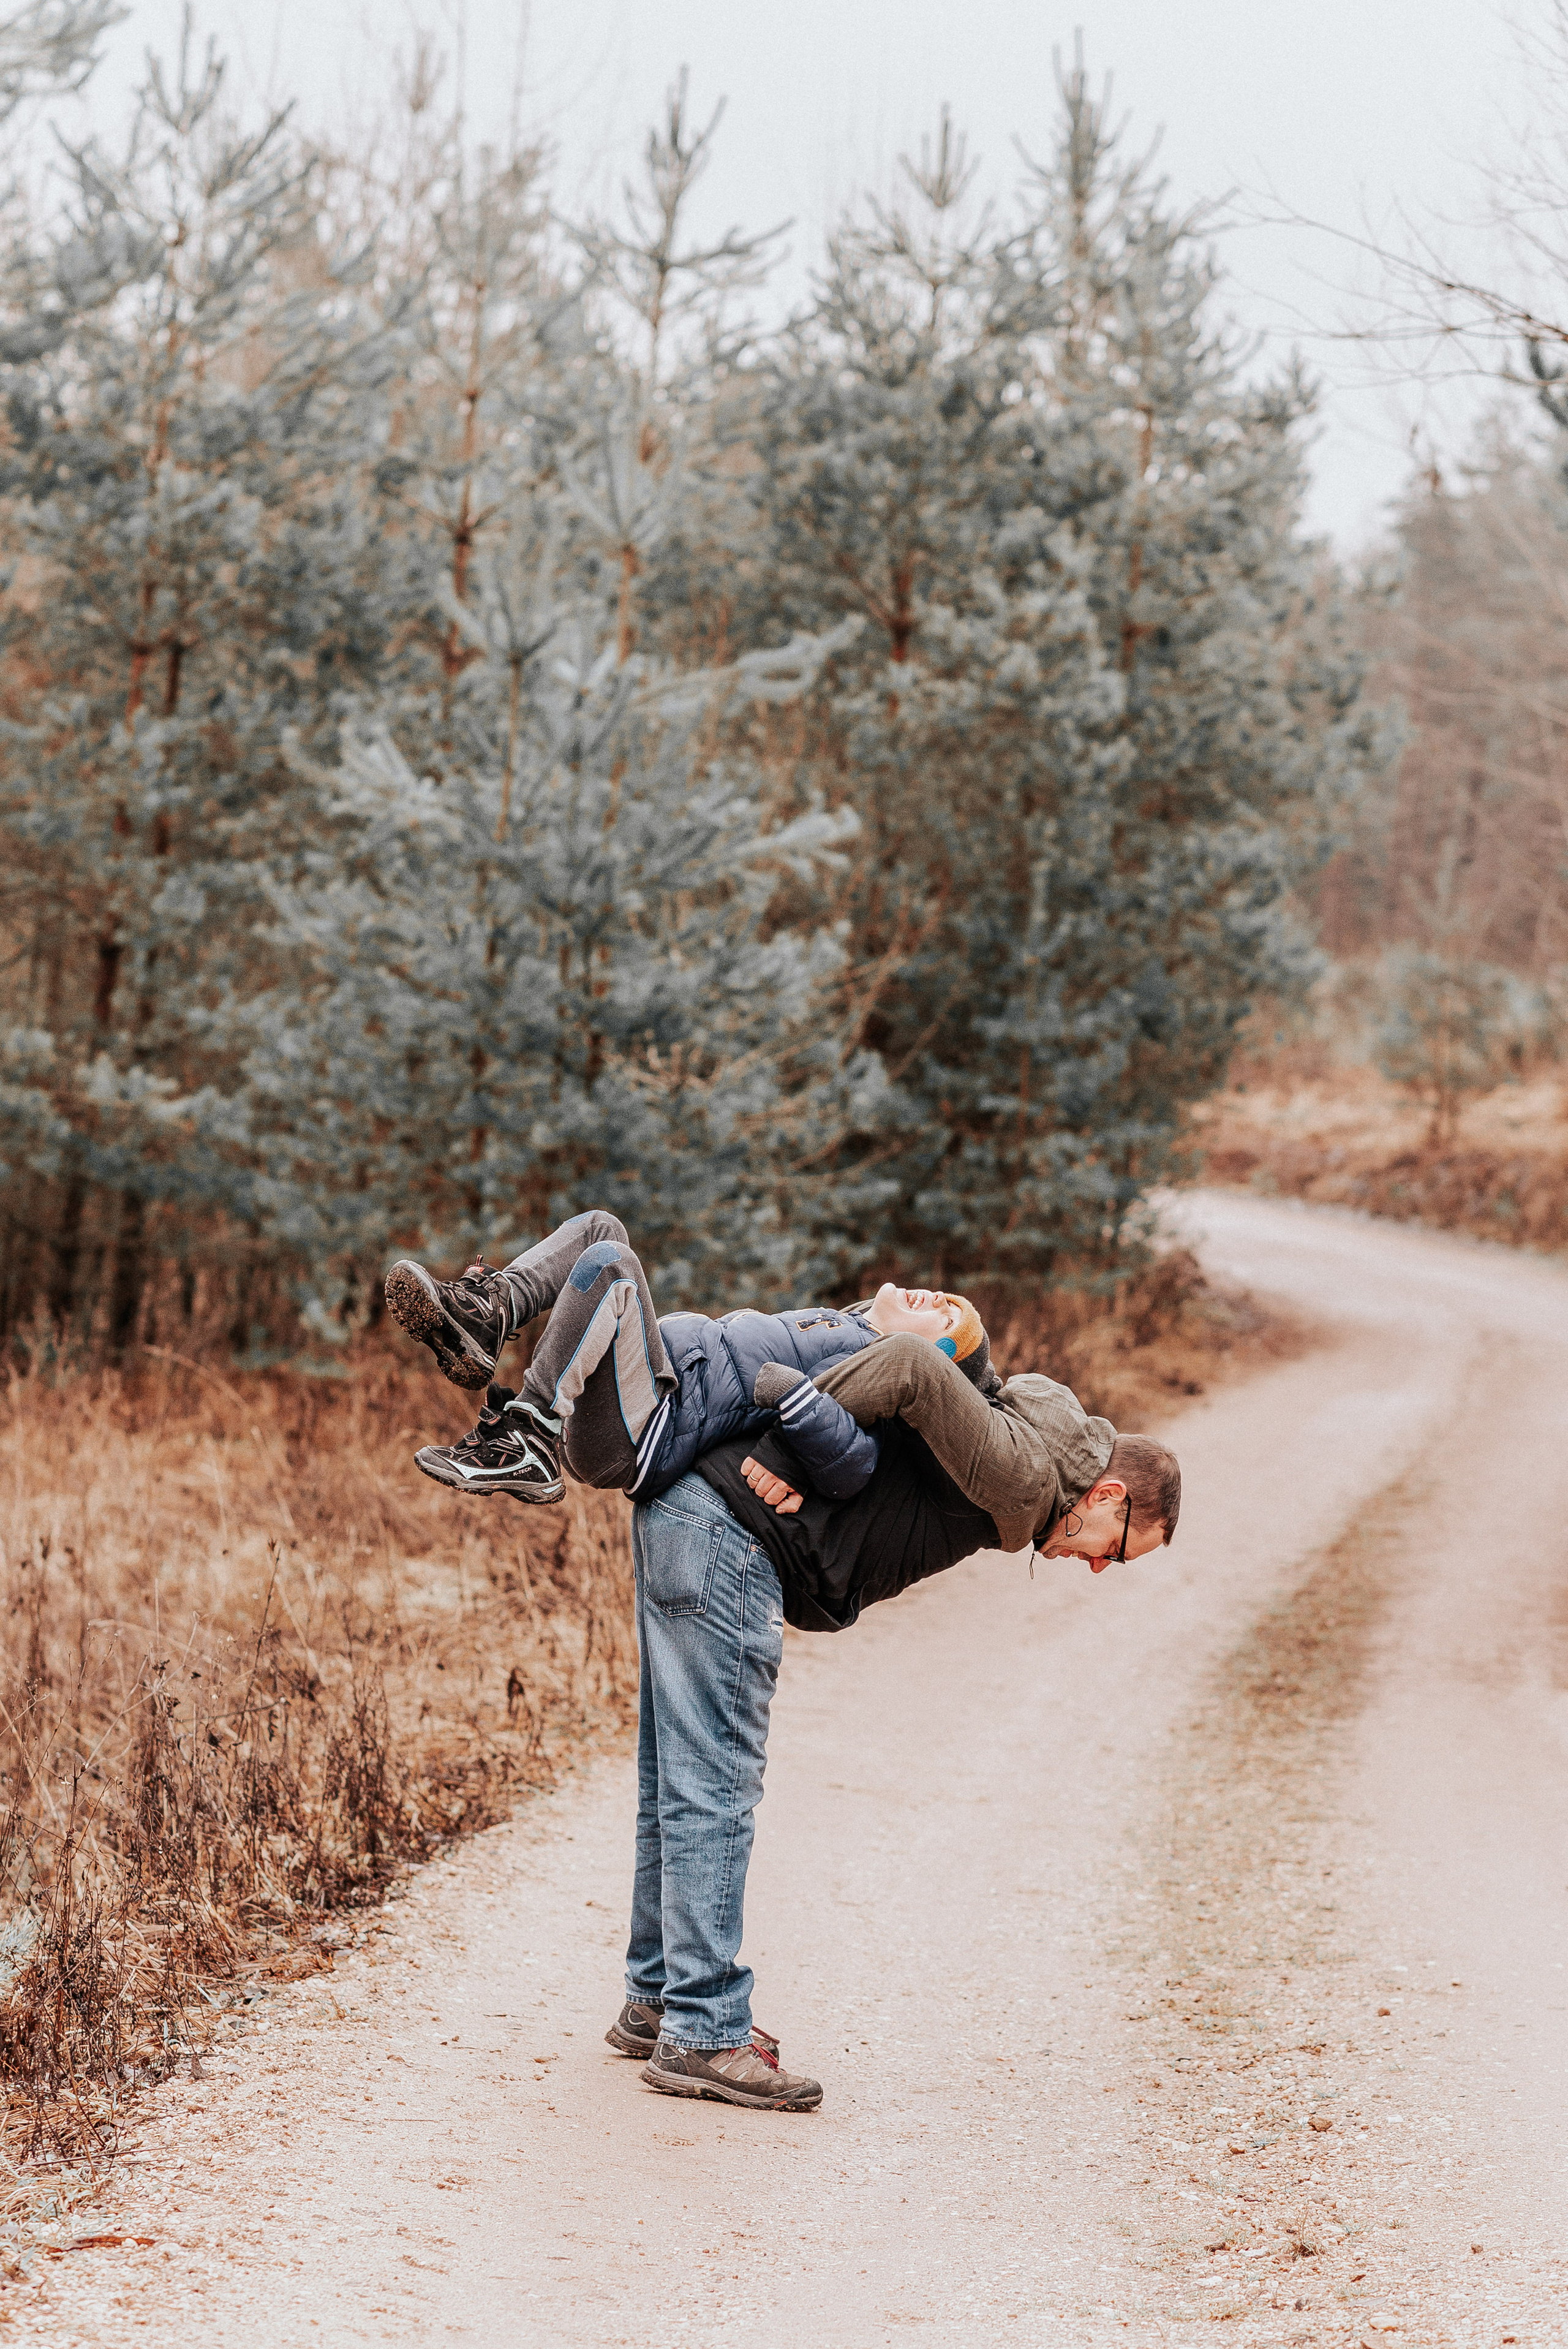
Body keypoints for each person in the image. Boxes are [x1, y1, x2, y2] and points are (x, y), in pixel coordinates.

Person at [621, 1335, 1181, 2114]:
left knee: (676, 1778)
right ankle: (703, 2030)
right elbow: (916, 1366)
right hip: (730, 1536)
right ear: (1110, 1496)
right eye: (1114, 1554)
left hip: (691, 1518)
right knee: (712, 1786)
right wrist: (783, 1455)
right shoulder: (1024, 1480)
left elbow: (951, 1387)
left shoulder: (1028, 1449)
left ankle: (659, 2001)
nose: (1094, 1568)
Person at [383, 1211, 997, 1506]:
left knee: (613, 1268)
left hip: (646, 1430)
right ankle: (488, 1316)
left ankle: (531, 1439)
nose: (937, 1297)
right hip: (643, 1396)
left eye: (947, 1315)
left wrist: (792, 1394)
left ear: (931, 1356)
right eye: (948, 1297)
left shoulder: (874, 1370)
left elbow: (852, 1466)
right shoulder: (842, 1326)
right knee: (603, 1229)